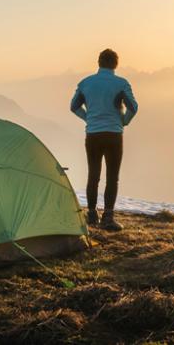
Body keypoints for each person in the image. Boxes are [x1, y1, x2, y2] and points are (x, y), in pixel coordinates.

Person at [70, 48, 138, 231]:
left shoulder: (86, 83)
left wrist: (88, 118)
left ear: (99, 62)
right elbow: (134, 107)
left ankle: (91, 215)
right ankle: (108, 218)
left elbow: (73, 106)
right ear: (115, 64)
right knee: (112, 177)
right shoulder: (121, 83)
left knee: (93, 175)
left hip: (93, 134)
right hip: (114, 135)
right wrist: (123, 121)